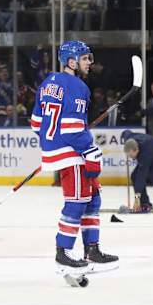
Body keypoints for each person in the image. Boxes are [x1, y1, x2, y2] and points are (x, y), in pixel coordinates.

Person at [30, 40, 118, 273]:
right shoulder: (78, 86)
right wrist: (90, 151)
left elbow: (36, 123)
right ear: (72, 61)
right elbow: (71, 128)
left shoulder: (48, 82)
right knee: (77, 202)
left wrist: (51, 145)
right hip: (72, 153)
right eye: (85, 58)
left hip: (61, 149)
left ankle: (92, 249)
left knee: (92, 198)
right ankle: (63, 253)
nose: (90, 62)